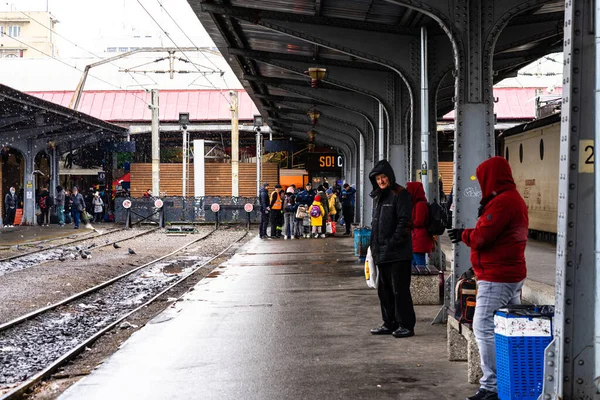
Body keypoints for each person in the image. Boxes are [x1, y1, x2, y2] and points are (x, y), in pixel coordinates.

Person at [448, 157, 528, 400]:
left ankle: (492, 386)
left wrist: (464, 234)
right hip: (506, 274)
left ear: (490, 178)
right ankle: (509, 379)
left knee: (483, 327)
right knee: (508, 329)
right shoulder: (507, 199)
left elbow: (483, 236)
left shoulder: (503, 202)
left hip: (497, 276)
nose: (481, 185)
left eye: (482, 179)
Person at [369, 160, 415, 339]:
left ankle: (406, 325)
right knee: (384, 291)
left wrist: (391, 243)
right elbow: (377, 224)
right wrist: (374, 247)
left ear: (390, 177)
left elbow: (405, 222)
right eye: (378, 178)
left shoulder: (401, 194)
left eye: (383, 177)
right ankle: (389, 323)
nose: (381, 181)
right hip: (382, 253)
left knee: (400, 290)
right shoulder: (379, 197)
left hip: (398, 254)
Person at [406, 182, 434, 268]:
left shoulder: (420, 205)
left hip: (419, 239)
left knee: (419, 265)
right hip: (417, 238)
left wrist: (407, 223)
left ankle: (422, 281)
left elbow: (419, 221)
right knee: (414, 264)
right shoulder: (417, 204)